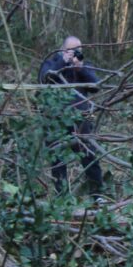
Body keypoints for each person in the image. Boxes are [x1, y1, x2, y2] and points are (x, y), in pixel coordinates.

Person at [38, 36, 103, 196]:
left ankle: (98, 194)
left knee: (89, 155)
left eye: (79, 50)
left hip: (80, 120)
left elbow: (95, 86)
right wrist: (62, 63)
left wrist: (80, 68)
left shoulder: (83, 65)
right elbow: (44, 78)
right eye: (72, 50)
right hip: (55, 120)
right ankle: (62, 197)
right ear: (62, 49)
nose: (75, 53)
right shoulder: (51, 62)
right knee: (57, 159)